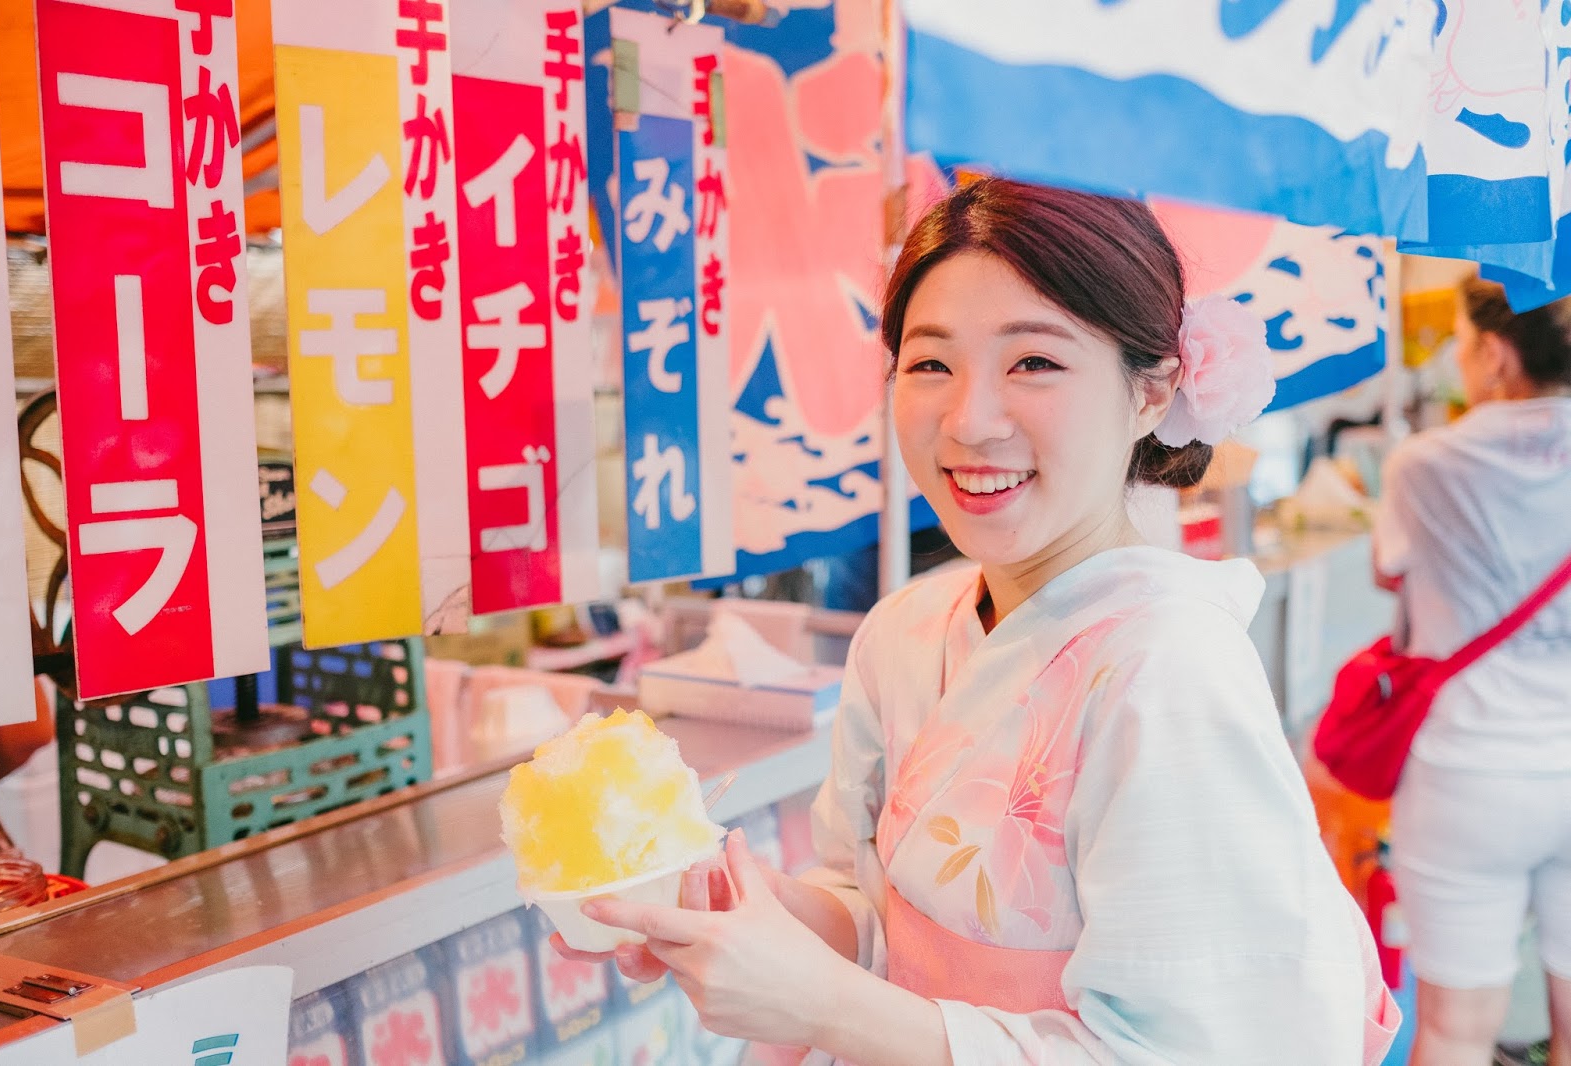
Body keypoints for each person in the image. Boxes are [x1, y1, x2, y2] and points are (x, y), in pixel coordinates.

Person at [561, 179, 1397, 1063]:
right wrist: (737, 911)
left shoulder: (1169, 672)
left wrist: (826, 1008)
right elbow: (872, 905)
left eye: (1033, 362)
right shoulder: (904, 631)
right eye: (930, 364)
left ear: (1152, 393)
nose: (970, 421)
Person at [1372, 276, 1571, 1066]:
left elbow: (1391, 577)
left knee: (1455, 1032)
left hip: (1466, 772)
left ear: (1495, 353)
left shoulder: (1423, 465)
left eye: (1459, 342)